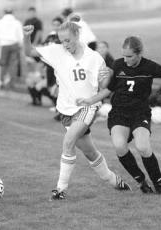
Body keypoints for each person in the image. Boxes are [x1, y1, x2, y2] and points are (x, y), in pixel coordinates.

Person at [77, 36, 161, 194]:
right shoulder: (118, 64)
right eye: (124, 55)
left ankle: (159, 184)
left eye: (130, 56)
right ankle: (141, 181)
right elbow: (108, 90)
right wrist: (89, 100)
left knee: (143, 147)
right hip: (119, 112)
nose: (125, 60)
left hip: (140, 113)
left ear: (139, 53)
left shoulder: (150, 67)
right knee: (120, 147)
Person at [23, 22, 131, 200]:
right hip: (66, 110)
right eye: (62, 41)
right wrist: (26, 36)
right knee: (90, 152)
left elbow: (105, 87)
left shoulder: (94, 58)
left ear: (77, 36)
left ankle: (60, 189)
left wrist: (107, 76)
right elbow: (29, 52)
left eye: (68, 40)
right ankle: (114, 180)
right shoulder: (57, 51)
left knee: (68, 142)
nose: (65, 44)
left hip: (87, 108)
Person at [0, 8, 23, 88]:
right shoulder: (17, 22)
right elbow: (21, 36)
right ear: (12, 13)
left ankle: (1, 81)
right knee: (13, 65)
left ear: (4, 13)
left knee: (3, 64)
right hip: (14, 45)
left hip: (4, 45)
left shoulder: (0, 22)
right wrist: (20, 45)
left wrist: (0, 38)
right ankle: (11, 83)